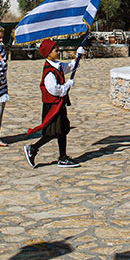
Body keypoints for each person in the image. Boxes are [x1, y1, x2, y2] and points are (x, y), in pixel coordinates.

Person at [24, 39, 84, 168]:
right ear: (48, 53)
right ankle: (33, 148)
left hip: (59, 104)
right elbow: (54, 90)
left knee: (62, 130)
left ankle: (63, 157)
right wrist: (66, 86)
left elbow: (69, 66)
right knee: (52, 132)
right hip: (52, 105)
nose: (58, 52)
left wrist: (78, 56)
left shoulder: (57, 65)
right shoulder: (49, 72)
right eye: (56, 51)